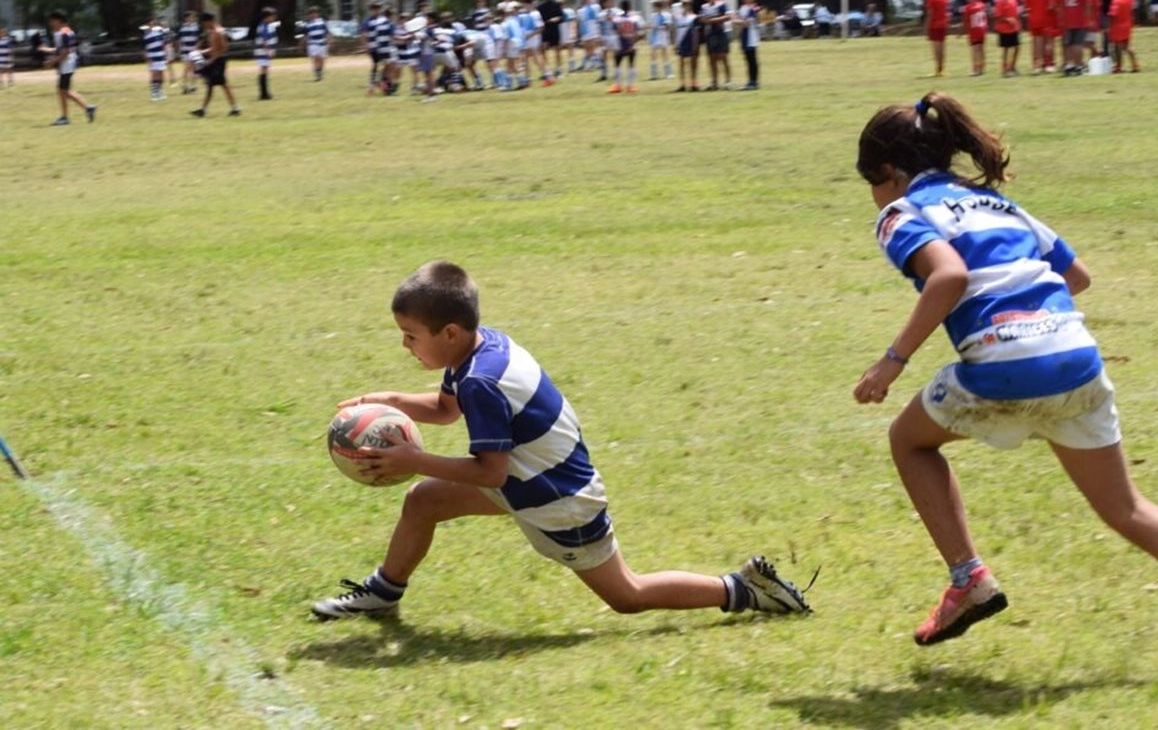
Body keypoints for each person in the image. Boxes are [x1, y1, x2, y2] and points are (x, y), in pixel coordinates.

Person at [852, 91, 1158, 646]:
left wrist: (891, 362)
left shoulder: (902, 213)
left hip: (1003, 364)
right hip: (1076, 361)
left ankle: (969, 579)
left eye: (870, 182)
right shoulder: (997, 204)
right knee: (1127, 508)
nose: (872, 197)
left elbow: (947, 277)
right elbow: (1077, 276)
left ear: (889, 174)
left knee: (909, 442)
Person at [311, 261, 816, 622]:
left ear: (447, 332)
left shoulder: (480, 382)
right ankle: (383, 593)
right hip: (531, 479)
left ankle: (745, 590)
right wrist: (391, 399)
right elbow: (445, 411)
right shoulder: (482, 348)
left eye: (409, 335)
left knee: (627, 595)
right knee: (424, 501)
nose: (405, 345)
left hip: (557, 500)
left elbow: (491, 473)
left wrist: (415, 458)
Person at [39, 10, 96, 126]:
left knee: (63, 91)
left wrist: (52, 62)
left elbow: (65, 52)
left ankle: (83, 109)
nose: (51, 23)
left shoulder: (62, 33)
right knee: (63, 91)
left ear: (58, 20)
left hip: (66, 65)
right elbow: (61, 50)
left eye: (52, 21)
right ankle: (73, 113)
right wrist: (47, 50)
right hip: (68, 65)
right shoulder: (66, 32)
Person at [190, 11, 240, 118]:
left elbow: (224, 49)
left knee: (220, 84)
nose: (204, 26)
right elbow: (213, 48)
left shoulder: (219, 32)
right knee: (215, 84)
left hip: (219, 61)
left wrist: (212, 59)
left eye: (204, 23)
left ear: (209, 21)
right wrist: (201, 52)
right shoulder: (211, 32)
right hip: (215, 61)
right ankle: (233, 108)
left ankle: (234, 108)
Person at [1057, 0, 1092, 76]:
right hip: (1080, 19)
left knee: (1067, 44)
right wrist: (1088, 18)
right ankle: (1078, 66)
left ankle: (1068, 65)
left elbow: (1058, 4)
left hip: (1066, 19)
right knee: (1078, 43)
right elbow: (1088, 4)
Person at [699, 0, 732, 90]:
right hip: (710, 34)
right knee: (712, 59)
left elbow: (727, 17)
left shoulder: (722, 4)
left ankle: (728, 81)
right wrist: (707, 20)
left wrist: (713, 20)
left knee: (723, 57)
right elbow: (701, 19)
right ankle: (714, 82)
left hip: (721, 33)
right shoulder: (704, 7)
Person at [608, 0, 642, 94]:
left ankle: (618, 85)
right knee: (631, 64)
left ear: (621, 8)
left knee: (617, 64)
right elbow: (638, 31)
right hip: (631, 42)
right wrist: (633, 42)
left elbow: (614, 30)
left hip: (620, 43)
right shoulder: (635, 18)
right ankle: (630, 85)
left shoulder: (617, 18)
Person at [1107, 0, 1140, 73]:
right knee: (1126, 47)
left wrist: (1109, 27)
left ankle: (1118, 66)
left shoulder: (1116, 0)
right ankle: (1135, 65)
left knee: (1117, 48)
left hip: (1118, 26)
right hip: (1127, 25)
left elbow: (1113, 15)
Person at [733, 0, 762, 90]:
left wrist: (737, 21)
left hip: (751, 37)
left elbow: (746, 22)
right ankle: (749, 81)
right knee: (747, 59)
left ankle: (754, 82)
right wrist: (738, 21)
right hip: (743, 36)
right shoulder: (743, 8)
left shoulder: (754, 8)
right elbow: (738, 20)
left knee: (752, 59)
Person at [992, 0, 1021, 77]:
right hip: (1004, 29)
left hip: (1014, 28)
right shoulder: (1000, 2)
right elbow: (997, 16)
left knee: (1017, 47)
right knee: (1006, 49)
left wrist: (1017, 24)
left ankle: (1012, 66)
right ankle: (1005, 69)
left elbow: (1016, 13)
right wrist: (1007, 19)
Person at [923, 0, 950, 76]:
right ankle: (942, 67)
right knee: (942, 47)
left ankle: (937, 69)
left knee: (936, 47)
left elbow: (930, 14)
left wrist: (926, 27)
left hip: (934, 24)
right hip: (944, 23)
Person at [537, 0, 565, 78]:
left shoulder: (556, 4)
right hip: (546, 29)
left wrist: (556, 19)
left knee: (557, 50)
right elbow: (539, 19)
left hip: (555, 29)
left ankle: (559, 69)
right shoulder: (540, 7)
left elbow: (562, 17)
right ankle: (547, 71)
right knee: (544, 49)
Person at [674, 0, 700, 93]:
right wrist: (676, 43)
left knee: (692, 64)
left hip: (690, 40)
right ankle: (682, 84)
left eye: (687, 4)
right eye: (683, 5)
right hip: (681, 41)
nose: (685, 6)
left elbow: (696, 32)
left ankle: (693, 83)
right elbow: (676, 31)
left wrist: (695, 44)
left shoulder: (694, 17)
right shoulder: (678, 17)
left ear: (690, 6)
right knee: (681, 63)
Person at [141, 15, 170, 101]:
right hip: (152, 58)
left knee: (161, 75)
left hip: (160, 56)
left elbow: (164, 44)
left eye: (152, 23)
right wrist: (147, 60)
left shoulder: (159, 33)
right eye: (149, 23)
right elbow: (144, 50)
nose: (151, 25)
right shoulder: (145, 36)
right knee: (154, 75)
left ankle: (160, 91)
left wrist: (166, 55)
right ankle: (154, 93)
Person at [254, 6, 278, 99]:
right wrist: (269, 51)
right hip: (263, 52)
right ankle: (264, 94)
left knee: (265, 71)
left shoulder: (267, 26)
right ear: (267, 17)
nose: (273, 18)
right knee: (263, 71)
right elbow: (264, 41)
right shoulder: (264, 26)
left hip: (263, 52)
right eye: (272, 16)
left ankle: (264, 93)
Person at [962, 0, 987, 76]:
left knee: (974, 50)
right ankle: (982, 67)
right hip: (982, 28)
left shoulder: (968, 7)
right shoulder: (982, 5)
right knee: (981, 49)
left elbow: (966, 20)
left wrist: (965, 31)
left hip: (974, 30)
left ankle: (975, 69)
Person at [647, 0, 673, 80]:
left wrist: (660, 27)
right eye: (655, 7)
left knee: (665, 54)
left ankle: (668, 73)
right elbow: (650, 26)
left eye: (657, 7)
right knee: (653, 55)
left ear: (661, 7)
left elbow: (668, 26)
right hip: (655, 37)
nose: (655, 8)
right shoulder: (652, 16)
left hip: (663, 36)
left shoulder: (666, 15)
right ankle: (654, 74)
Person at [177, 11, 202, 94]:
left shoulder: (197, 27)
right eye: (190, 17)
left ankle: (193, 86)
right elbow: (179, 39)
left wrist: (197, 47)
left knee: (194, 69)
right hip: (185, 51)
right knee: (186, 69)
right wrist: (179, 49)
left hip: (194, 50)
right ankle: (185, 86)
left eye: (193, 17)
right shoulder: (182, 27)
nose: (192, 18)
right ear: (186, 18)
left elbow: (200, 39)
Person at [303, 6, 329, 81]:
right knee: (315, 58)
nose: (313, 15)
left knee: (321, 59)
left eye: (314, 13)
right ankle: (317, 75)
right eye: (311, 13)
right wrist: (305, 43)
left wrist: (327, 40)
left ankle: (320, 73)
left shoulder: (322, 22)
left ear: (317, 14)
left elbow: (327, 32)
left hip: (322, 43)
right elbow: (306, 35)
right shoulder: (307, 24)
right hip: (313, 43)